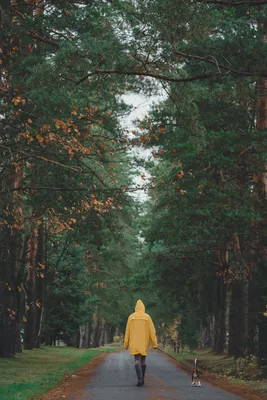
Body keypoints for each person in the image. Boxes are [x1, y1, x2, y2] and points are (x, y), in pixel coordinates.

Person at [124, 299, 158, 386]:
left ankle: (140, 379)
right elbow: (152, 331)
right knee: (143, 361)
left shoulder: (131, 317)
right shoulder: (147, 317)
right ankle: (142, 379)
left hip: (134, 343)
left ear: (136, 307)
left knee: (137, 360)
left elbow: (127, 332)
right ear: (143, 308)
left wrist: (126, 343)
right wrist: (154, 344)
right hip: (144, 343)